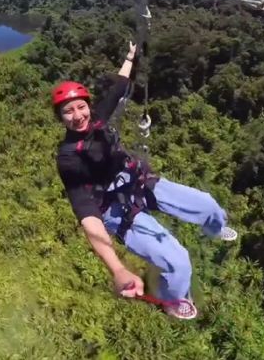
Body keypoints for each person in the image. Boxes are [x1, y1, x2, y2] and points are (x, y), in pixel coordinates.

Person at [53, 41, 238, 319]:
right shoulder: (68, 158)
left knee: (208, 205)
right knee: (179, 262)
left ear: (88, 107)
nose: (77, 115)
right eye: (69, 111)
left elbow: (118, 85)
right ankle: (171, 298)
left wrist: (129, 56)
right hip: (116, 208)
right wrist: (117, 269)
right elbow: (86, 213)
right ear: (60, 117)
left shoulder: (98, 119)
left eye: (81, 107)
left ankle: (213, 229)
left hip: (139, 181)